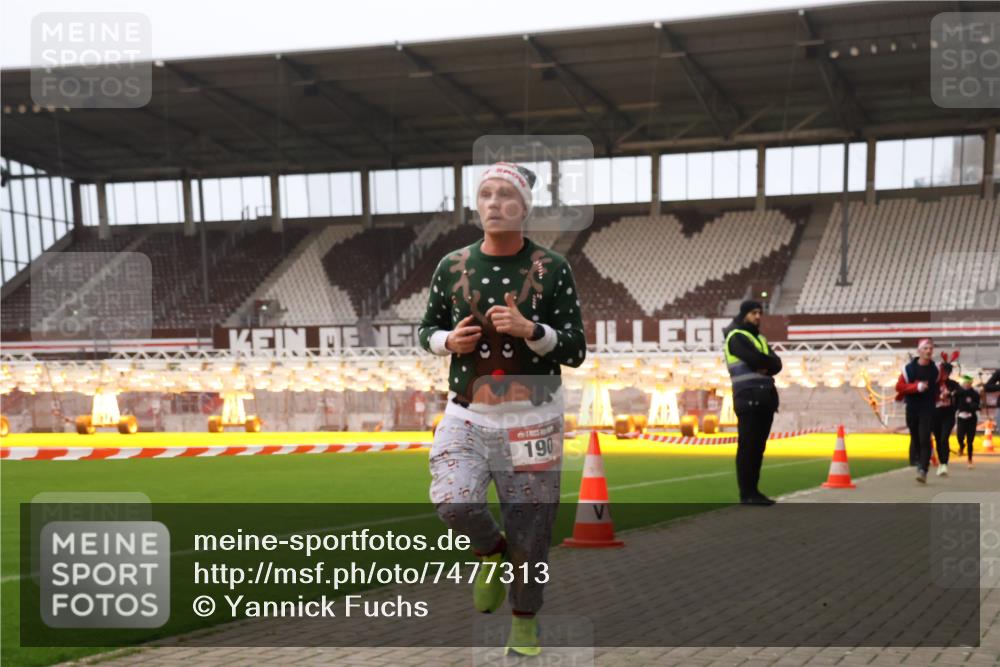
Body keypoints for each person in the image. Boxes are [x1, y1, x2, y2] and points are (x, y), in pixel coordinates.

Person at [418, 161, 586, 657]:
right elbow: (425, 329)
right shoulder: (451, 266)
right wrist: (448, 340)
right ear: (477, 204)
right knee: (454, 501)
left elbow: (574, 349)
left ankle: (525, 622)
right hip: (466, 414)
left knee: (531, 535)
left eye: (505, 195)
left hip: (533, 419)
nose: (494, 202)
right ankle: (489, 550)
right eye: (486, 194)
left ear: (524, 208)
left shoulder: (551, 268)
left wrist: (530, 331)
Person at [722, 300, 782, 506]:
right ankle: (746, 493)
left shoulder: (759, 339)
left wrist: (764, 363)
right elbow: (756, 361)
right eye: (753, 312)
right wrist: (764, 363)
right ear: (744, 314)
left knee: (758, 448)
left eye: (759, 313)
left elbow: (777, 364)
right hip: (748, 398)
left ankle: (754, 491)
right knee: (748, 447)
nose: (757, 316)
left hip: (765, 399)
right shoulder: (736, 337)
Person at [895, 338, 940, 483]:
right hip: (912, 407)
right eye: (925, 348)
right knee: (915, 438)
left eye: (931, 348)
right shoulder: (908, 369)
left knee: (924, 437)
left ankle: (923, 469)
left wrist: (942, 396)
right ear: (919, 351)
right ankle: (920, 461)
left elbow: (937, 387)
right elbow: (899, 387)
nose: (928, 351)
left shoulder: (936, 370)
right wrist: (916, 387)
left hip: (927, 408)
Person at [932, 361, 960, 476]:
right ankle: (941, 462)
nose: (945, 374)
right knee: (938, 439)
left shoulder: (953, 384)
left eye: (947, 372)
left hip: (948, 414)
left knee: (944, 438)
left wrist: (951, 394)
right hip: (935, 414)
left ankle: (944, 463)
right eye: (943, 372)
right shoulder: (933, 384)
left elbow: (959, 392)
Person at [954, 375, 980, 468]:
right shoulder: (958, 393)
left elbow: (978, 405)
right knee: (960, 436)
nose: (966, 385)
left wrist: (975, 406)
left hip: (971, 417)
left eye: (968, 383)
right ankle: (961, 446)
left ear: (971, 384)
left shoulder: (975, 394)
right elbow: (955, 404)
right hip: (961, 416)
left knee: (970, 440)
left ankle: (970, 459)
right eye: (964, 383)